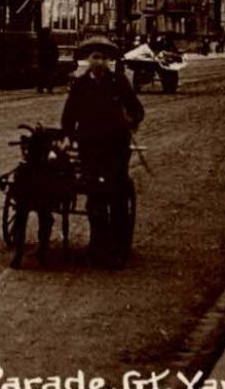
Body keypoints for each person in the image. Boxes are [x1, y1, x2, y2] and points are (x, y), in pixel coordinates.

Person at [61, 36, 146, 266]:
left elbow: (137, 110)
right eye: (95, 57)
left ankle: (117, 249)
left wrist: (131, 119)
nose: (99, 62)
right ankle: (98, 246)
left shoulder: (118, 82)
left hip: (116, 147)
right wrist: (68, 136)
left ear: (109, 61)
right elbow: (68, 117)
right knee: (96, 200)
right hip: (90, 148)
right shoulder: (79, 85)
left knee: (117, 197)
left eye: (104, 58)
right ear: (88, 60)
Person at [35, 26, 60, 94]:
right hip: (50, 61)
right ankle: (49, 88)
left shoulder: (41, 41)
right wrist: (55, 59)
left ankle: (40, 88)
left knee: (42, 74)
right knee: (49, 75)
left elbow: (38, 52)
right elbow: (56, 52)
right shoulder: (52, 41)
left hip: (43, 60)